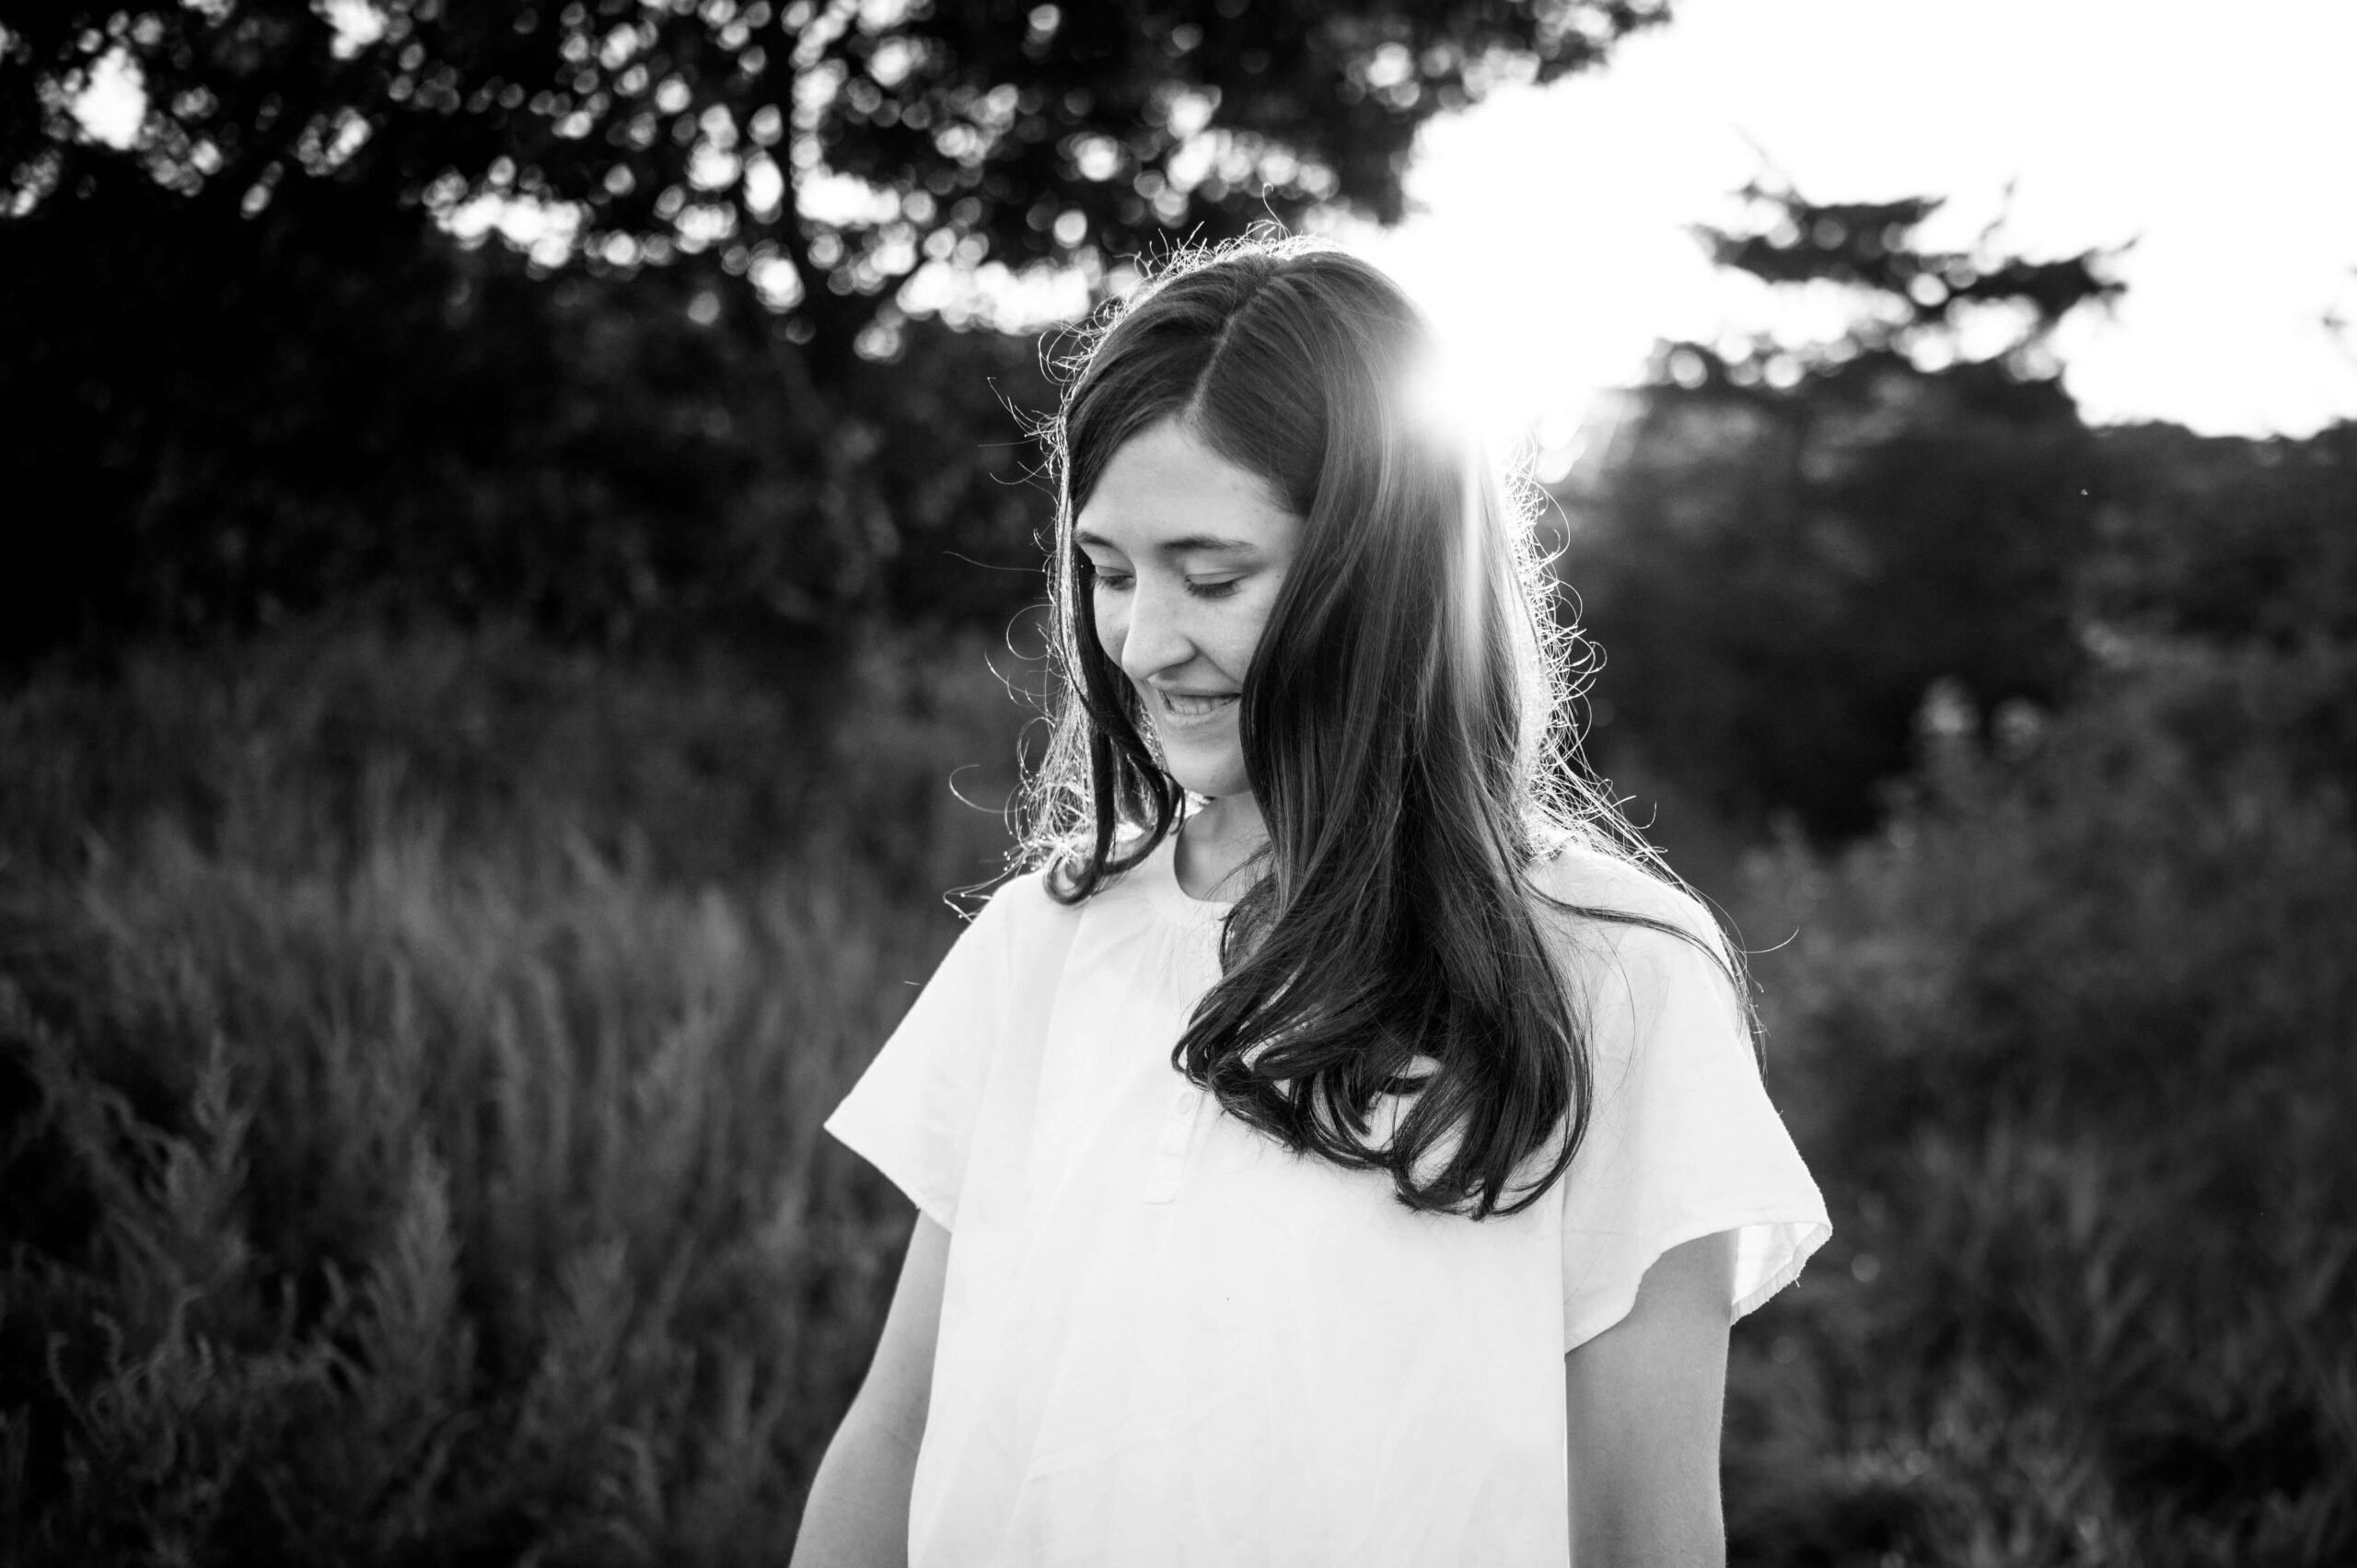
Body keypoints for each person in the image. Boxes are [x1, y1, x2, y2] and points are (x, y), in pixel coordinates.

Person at [789, 238, 1830, 1567]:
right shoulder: (1044, 936)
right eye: (1108, 570)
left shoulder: (1613, 975)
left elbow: (1644, 1530)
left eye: (1212, 577)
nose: (1146, 642)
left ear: (1383, 575)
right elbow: (898, 1431)